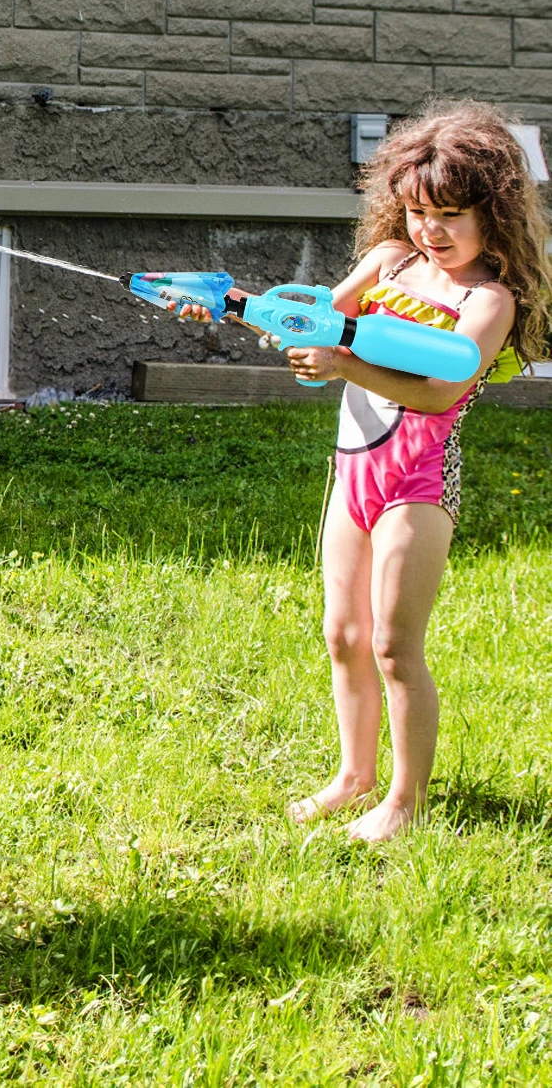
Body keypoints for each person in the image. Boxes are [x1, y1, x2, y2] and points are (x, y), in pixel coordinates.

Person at [185, 104, 548, 841]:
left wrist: (346, 364)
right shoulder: (390, 263)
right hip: (354, 467)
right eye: (417, 212)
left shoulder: (489, 300)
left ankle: (404, 803)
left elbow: (443, 388)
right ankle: (353, 780)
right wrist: (225, 304)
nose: (431, 231)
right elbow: (314, 320)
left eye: (451, 214)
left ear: (495, 213)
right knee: (343, 633)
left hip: (416, 480)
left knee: (391, 644)